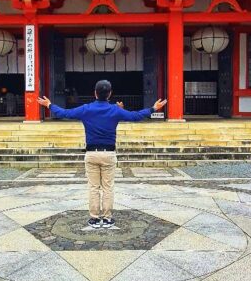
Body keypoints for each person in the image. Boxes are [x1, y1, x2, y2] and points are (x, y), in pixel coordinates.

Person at [38, 80, 167, 230]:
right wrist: (153, 108)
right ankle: (107, 218)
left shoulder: (86, 109)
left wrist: (49, 105)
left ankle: (93, 219)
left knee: (93, 187)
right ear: (110, 94)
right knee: (108, 187)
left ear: (95, 93)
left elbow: (64, 113)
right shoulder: (115, 110)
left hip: (92, 153)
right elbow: (135, 116)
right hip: (109, 154)